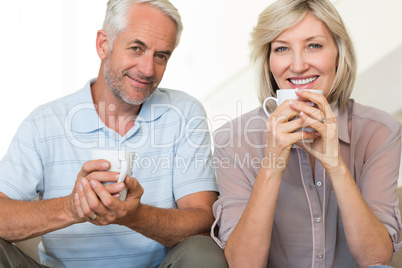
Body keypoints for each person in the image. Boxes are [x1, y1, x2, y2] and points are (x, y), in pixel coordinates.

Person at [0, 0, 227, 267]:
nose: (147, 69)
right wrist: (73, 207)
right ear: (103, 44)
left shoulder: (184, 113)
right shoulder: (44, 122)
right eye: (136, 48)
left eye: (161, 55)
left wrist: (133, 215)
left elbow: (203, 219)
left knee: (203, 252)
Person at [211, 0, 401, 267]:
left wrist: (335, 166)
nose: (298, 66)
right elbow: (243, 264)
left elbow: (377, 260)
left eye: (314, 45)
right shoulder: (231, 141)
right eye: (282, 48)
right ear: (268, 62)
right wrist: (272, 165)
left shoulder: (380, 131)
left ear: (338, 52)